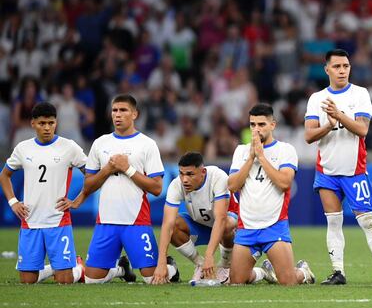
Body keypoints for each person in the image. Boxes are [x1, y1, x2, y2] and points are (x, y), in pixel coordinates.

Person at [304, 49, 372, 285]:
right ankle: (338, 271)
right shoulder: (316, 98)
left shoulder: (360, 94)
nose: (342, 70)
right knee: (333, 222)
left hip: (355, 171)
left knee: (367, 221)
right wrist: (328, 125)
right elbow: (309, 135)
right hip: (327, 172)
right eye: (337, 66)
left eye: (346, 66)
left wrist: (338, 115)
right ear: (327, 70)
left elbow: (362, 130)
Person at [74, 94, 179, 284]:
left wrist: (127, 169)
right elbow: (88, 185)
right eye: (114, 110)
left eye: (123, 110)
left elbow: (156, 188)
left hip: (136, 221)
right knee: (91, 280)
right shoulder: (100, 143)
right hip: (106, 221)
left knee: (152, 279)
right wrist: (108, 169)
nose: (118, 115)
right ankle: (121, 270)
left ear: (135, 114)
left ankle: (171, 267)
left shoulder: (147, 144)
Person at [0, 102, 87, 284]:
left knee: (65, 281)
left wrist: (78, 200)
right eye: (42, 123)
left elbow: (92, 175)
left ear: (56, 123)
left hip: (58, 220)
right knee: (27, 282)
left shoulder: (69, 147)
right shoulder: (23, 148)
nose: (47, 128)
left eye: (51, 123)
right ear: (33, 123)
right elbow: (5, 175)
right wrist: (13, 202)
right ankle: (57, 268)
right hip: (30, 220)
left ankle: (78, 267)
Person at [228, 104, 314, 286]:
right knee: (236, 281)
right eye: (252, 125)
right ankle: (263, 272)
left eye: (261, 124)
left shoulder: (285, 150)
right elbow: (233, 185)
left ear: (272, 125)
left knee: (288, 281)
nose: (256, 129)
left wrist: (262, 157)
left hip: (274, 226)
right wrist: (251, 158)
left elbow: (284, 183)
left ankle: (303, 272)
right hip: (247, 227)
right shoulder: (242, 151)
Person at [152, 151, 238, 285]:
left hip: (231, 230)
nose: (184, 179)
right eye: (181, 173)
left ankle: (225, 266)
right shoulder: (176, 185)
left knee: (227, 223)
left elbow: (220, 219)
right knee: (174, 224)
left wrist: (210, 255)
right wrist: (161, 262)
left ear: (203, 172)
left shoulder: (218, 177)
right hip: (201, 226)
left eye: (190, 174)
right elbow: (167, 224)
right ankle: (200, 264)